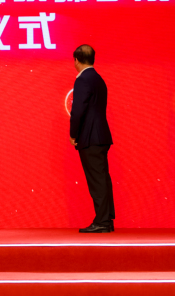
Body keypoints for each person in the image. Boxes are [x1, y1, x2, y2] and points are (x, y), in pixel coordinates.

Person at [69, 45, 115, 233]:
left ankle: (102, 221)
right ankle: (106, 219)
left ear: (76, 60)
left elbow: (78, 110)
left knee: (97, 180)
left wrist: (73, 134)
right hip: (101, 135)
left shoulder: (83, 80)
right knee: (102, 178)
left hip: (90, 137)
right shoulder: (98, 79)